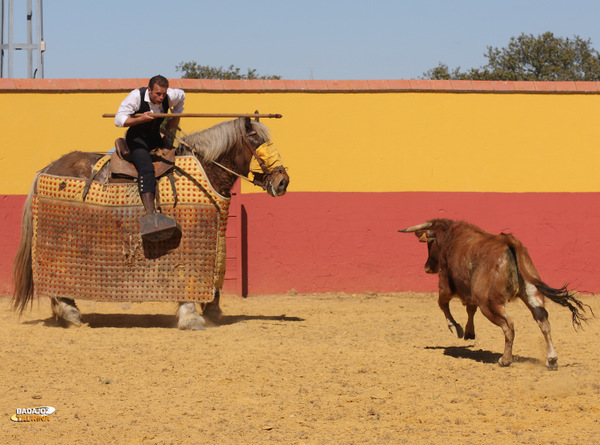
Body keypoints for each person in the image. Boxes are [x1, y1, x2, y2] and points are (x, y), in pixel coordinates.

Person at [114, 75, 185, 216]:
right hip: (137, 139)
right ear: (149, 90)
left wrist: (175, 118)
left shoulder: (170, 95)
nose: (161, 97)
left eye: (163, 94)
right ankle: (150, 213)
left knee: (179, 158)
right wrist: (140, 119)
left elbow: (182, 96)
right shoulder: (136, 96)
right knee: (146, 168)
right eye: (158, 94)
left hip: (155, 137)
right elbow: (118, 120)